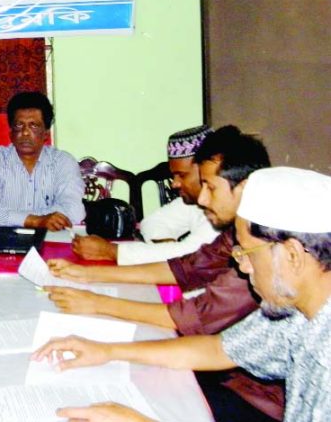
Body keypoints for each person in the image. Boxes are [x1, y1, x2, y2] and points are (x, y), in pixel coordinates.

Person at [36, 167, 331, 422]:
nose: (241, 265)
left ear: (293, 255)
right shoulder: (296, 313)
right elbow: (218, 349)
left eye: (247, 252)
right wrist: (106, 351)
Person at [73, 125, 219, 265]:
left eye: (182, 175)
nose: (175, 183)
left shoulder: (224, 209)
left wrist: (112, 251)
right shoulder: (195, 202)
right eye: (174, 175)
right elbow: (152, 222)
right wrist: (165, 250)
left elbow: (190, 257)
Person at [0, 91, 84, 230]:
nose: (24, 132)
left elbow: (74, 211)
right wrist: (36, 221)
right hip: (5, 240)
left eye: (33, 126)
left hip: (51, 238)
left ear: (46, 134)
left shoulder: (63, 162)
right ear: (10, 133)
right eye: (19, 125)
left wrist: (17, 218)